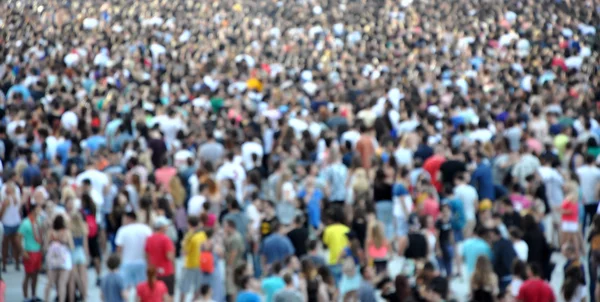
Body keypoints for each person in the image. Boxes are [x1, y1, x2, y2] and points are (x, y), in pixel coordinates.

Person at [115, 210, 152, 289]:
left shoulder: (122, 230)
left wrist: (118, 263)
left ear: (129, 218)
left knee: (125, 288)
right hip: (142, 262)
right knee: (142, 288)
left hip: (126, 262)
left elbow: (119, 248)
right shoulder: (145, 229)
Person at [44, 214, 74, 302]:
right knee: (62, 284)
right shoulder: (66, 232)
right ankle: (61, 300)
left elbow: (46, 246)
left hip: (52, 260)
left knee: (49, 282)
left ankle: (46, 299)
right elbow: (71, 246)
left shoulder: (50, 232)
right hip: (64, 260)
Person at [145, 216, 176, 299]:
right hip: (166, 271)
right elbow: (169, 256)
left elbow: (147, 255)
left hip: (154, 271)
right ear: (162, 227)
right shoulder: (166, 239)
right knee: (169, 295)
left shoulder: (149, 238)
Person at [18, 202, 42, 302]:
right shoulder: (26, 222)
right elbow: (18, 238)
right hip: (29, 251)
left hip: (38, 251)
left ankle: (33, 295)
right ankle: (25, 297)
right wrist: (23, 251)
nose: (40, 210)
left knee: (36, 275)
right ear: (33, 210)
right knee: (28, 274)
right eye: (38, 208)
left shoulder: (38, 220)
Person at [179, 216, 207, 302]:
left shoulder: (189, 236)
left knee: (184, 288)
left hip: (190, 264)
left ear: (189, 224)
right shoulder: (202, 234)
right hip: (201, 263)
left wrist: (183, 244)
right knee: (197, 287)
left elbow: (184, 252)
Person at [490, 228, 517, 292]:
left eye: (492, 236)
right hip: (509, 273)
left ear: (498, 235)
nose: (491, 238)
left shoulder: (498, 245)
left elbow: (496, 261)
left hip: (502, 275)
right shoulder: (507, 243)